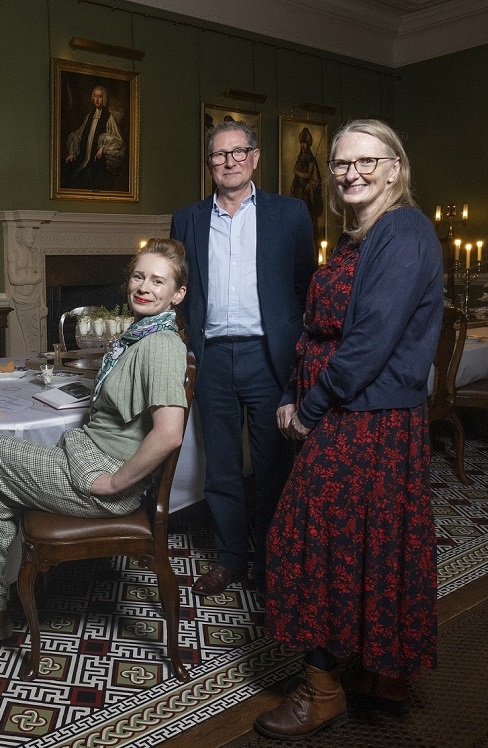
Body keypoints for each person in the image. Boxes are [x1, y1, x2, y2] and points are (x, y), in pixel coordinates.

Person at [254, 119, 443, 740]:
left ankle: (323, 690)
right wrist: (291, 390)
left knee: (300, 540)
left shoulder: (405, 232)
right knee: (359, 546)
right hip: (346, 408)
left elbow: (368, 342)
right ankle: (369, 669)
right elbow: (316, 329)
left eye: (365, 160)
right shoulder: (355, 236)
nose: (349, 172)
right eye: (340, 163)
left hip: (372, 418)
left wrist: (310, 409)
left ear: (396, 167)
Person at [0, 239, 190, 651]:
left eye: (158, 281)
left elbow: (169, 433)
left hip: (102, 478)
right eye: (139, 276)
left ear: (177, 293)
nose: (144, 287)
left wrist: (116, 483)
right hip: (85, 454)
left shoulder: (163, 346)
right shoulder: (139, 334)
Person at [168, 120, 316, 599]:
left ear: (254, 158)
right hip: (211, 358)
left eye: (238, 153)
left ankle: (272, 562)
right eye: (218, 155)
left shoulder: (290, 214)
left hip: (268, 356)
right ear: (209, 163)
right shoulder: (186, 219)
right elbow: (181, 290)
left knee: (274, 464)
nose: (228, 161)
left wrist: (297, 359)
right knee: (223, 467)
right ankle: (231, 558)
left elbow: (303, 288)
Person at [62, 84, 127, 192]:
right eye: (95, 96)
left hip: (98, 162)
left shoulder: (108, 116)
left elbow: (116, 140)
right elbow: (79, 134)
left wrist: (103, 148)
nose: (97, 99)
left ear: (104, 98)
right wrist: (73, 152)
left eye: (100, 96)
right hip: (84, 157)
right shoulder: (89, 115)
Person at [290, 126, 326, 240]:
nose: (303, 146)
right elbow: (296, 174)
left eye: (305, 144)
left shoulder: (311, 160)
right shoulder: (299, 158)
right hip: (298, 195)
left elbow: (315, 180)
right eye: (301, 143)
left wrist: (309, 185)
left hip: (307, 198)